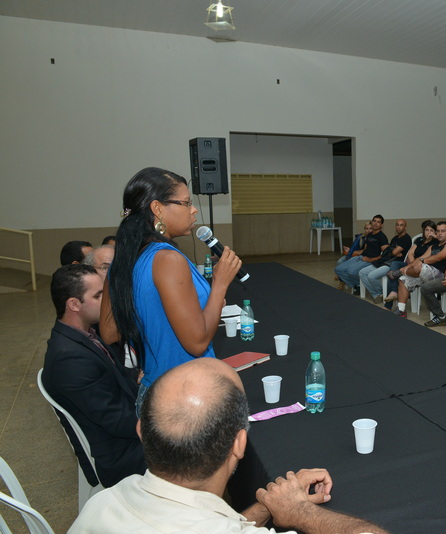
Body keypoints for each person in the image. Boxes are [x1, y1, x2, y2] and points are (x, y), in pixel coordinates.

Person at [69, 358, 388, 534]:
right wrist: (300, 512)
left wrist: (268, 506)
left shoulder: (101, 505)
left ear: (142, 431)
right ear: (239, 443)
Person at [100, 167, 242, 415]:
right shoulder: (168, 259)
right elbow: (197, 343)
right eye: (186, 203)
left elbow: (109, 332)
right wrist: (219, 285)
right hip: (185, 399)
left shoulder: (124, 260)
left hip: (152, 392)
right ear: (157, 208)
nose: (193, 210)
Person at [42, 264, 145, 487]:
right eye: (99, 296)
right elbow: (116, 421)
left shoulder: (85, 334)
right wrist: (166, 423)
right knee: (203, 443)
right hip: (120, 455)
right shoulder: (69, 359)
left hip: (124, 431)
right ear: (74, 304)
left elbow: (112, 377)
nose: (108, 300)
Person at [392, 221, 446, 318]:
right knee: (403, 280)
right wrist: (408, 266)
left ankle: (401, 272)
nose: (440, 233)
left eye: (443, 231)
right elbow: (421, 257)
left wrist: (421, 262)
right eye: (438, 231)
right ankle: (401, 310)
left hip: (443, 275)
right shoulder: (433, 246)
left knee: (422, 267)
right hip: (426, 273)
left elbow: (439, 257)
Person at [359, 219, 412, 303]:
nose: (398, 227)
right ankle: (378, 294)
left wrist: (393, 252)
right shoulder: (395, 238)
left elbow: (393, 252)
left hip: (393, 264)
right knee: (362, 273)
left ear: (405, 227)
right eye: (397, 225)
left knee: (371, 276)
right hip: (384, 261)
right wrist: (393, 251)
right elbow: (389, 251)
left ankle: (385, 292)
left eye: (401, 225)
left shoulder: (406, 238)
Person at [384, 219, 437, 304]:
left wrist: (436, 237)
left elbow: (424, 257)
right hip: (411, 264)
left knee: (393, 274)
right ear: (423, 231)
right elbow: (410, 253)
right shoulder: (419, 240)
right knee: (394, 264)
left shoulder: (435, 243)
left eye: (431, 230)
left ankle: (399, 273)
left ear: (435, 232)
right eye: (427, 230)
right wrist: (412, 264)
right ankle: (394, 292)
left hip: (422, 267)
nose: (429, 233)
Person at [334, 214, 388, 292]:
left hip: (369, 260)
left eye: (378, 222)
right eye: (374, 221)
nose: (376, 223)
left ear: (381, 225)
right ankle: (357, 285)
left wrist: (370, 259)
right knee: (338, 269)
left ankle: (359, 285)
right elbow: (364, 250)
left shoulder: (382, 237)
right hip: (360, 257)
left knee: (351, 271)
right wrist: (350, 251)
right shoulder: (369, 235)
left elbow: (385, 254)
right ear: (372, 222)